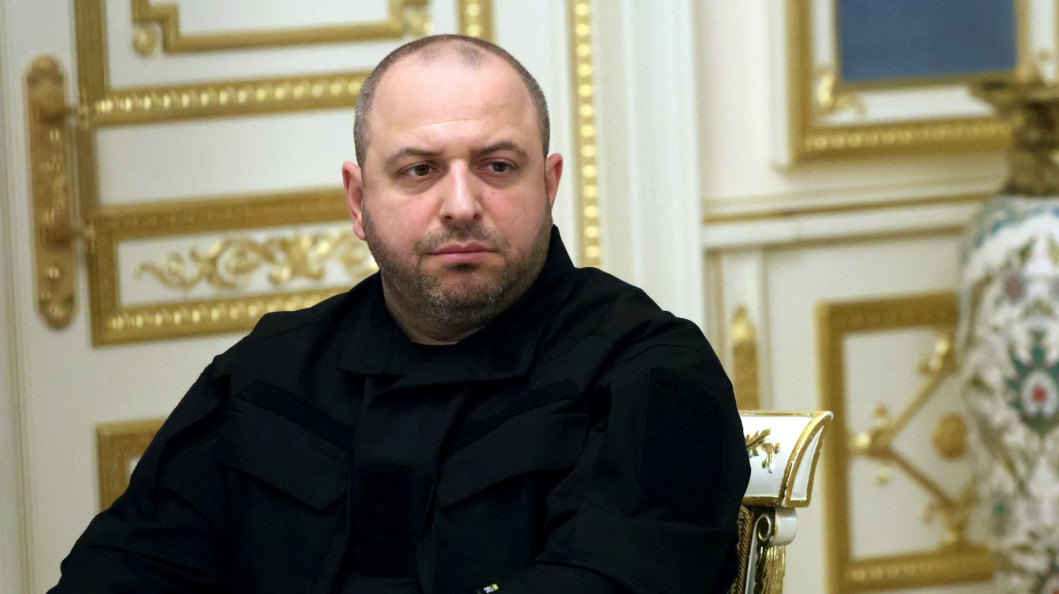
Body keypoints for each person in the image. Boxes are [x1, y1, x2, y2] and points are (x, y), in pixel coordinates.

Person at [49, 34, 749, 594]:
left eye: (498, 166)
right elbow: (121, 571)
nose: (461, 205)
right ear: (358, 201)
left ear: (549, 182)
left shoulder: (653, 372)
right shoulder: (267, 371)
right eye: (419, 170)